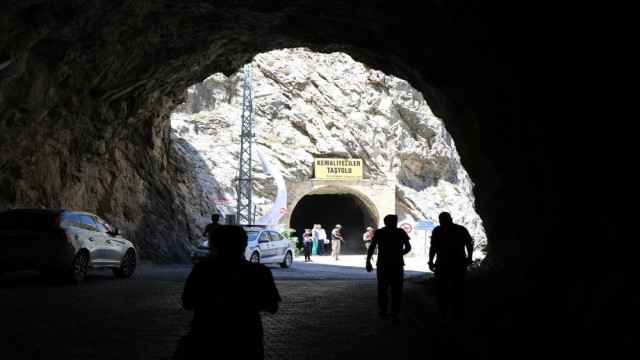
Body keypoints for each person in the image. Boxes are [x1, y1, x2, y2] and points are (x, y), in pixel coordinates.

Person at [178, 225, 281, 359]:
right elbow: (272, 306)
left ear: (213, 245)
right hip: (246, 339)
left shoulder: (203, 269)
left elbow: (187, 303)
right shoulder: (259, 272)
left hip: (208, 338)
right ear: (244, 245)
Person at [428, 211, 474, 323]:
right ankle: (455, 313)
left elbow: (433, 247)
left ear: (440, 220)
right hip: (458, 264)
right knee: (457, 289)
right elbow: (469, 244)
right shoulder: (461, 229)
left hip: (442, 264)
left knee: (442, 289)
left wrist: (430, 261)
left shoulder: (438, 230)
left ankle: (442, 313)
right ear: (451, 218)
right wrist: (469, 257)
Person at [365, 214, 411, 319]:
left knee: (382, 289)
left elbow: (372, 247)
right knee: (397, 289)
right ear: (395, 222)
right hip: (397, 264)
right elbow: (408, 247)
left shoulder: (380, 232)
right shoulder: (400, 232)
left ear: (385, 222)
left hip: (383, 264)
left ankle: (383, 311)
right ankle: (394, 312)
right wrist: (399, 254)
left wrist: (368, 261)